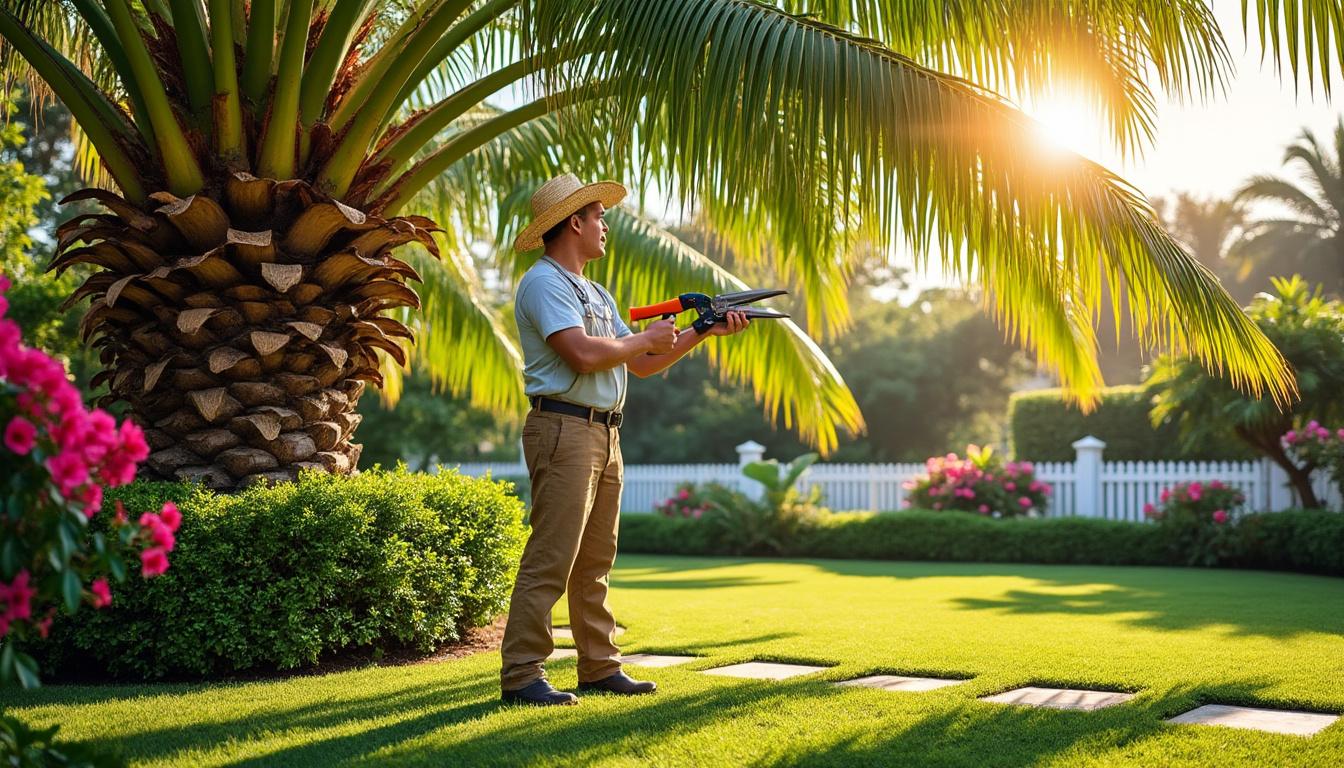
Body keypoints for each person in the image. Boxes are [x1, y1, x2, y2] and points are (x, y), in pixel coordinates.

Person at [501, 173, 752, 706]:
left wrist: (702, 330)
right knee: (552, 556)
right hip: (563, 427)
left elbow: (641, 362)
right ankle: (522, 675)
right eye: (599, 217)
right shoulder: (543, 282)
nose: (605, 226)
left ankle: (599, 667)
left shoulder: (595, 292)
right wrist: (643, 336)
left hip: (605, 433)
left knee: (595, 561)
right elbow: (585, 354)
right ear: (575, 222)